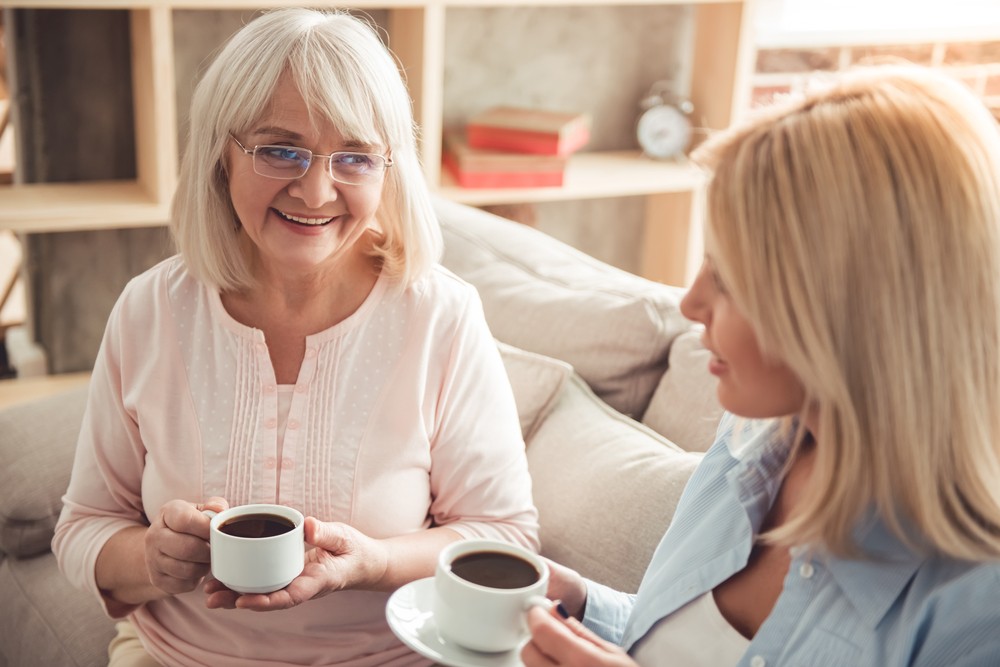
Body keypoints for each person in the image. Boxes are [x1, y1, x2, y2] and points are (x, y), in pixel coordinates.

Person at [52, 8, 539, 667]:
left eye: (354, 157)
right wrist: (149, 558)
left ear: (388, 167)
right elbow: (83, 527)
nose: (315, 189)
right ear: (223, 155)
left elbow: (505, 535)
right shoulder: (150, 311)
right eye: (280, 149)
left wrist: (376, 561)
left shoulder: (440, 317)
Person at [522, 65, 1000, 666]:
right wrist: (586, 606)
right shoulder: (747, 443)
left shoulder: (978, 610)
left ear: (851, 308)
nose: (691, 303)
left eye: (728, 276)